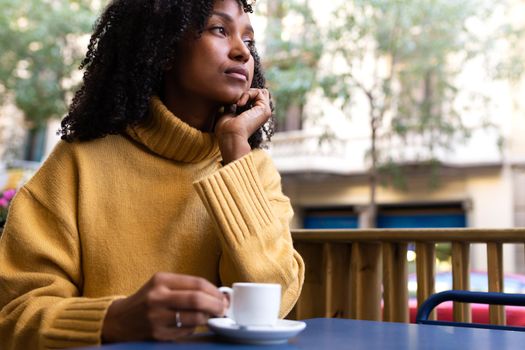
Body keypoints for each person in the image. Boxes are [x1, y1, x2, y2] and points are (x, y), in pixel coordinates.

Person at [0, 0, 305, 348]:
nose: (242, 53)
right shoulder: (77, 165)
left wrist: (235, 147)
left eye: (249, 41)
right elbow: (13, 315)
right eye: (220, 30)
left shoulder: (252, 168)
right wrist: (113, 320)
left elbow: (275, 299)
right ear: (164, 48)